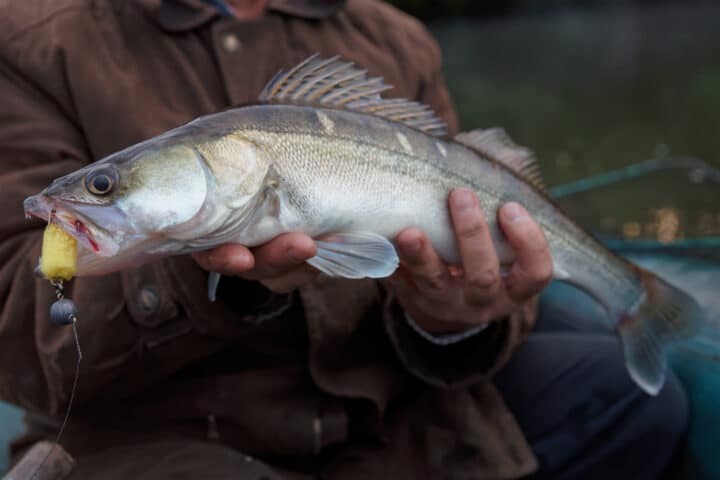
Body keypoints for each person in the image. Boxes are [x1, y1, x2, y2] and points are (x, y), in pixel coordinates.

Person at [0, 0, 688, 478]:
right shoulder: (33, 39)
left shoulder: (393, 36)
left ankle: (634, 300)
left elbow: (461, 283)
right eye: (106, 186)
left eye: (104, 187)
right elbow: (25, 318)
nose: (94, 198)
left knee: (639, 402)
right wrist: (203, 281)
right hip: (168, 440)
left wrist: (446, 322)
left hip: (389, 417)